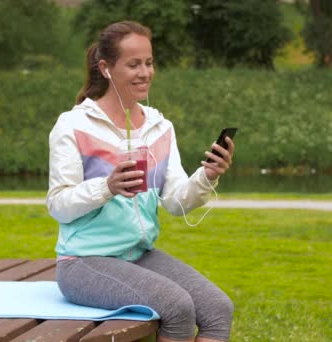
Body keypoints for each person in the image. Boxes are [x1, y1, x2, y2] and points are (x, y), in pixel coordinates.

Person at [47, 21, 235, 342]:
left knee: (219, 309)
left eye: (149, 63)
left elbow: (176, 202)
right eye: (133, 64)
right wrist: (107, 187)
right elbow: (59, 206)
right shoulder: (73, 125)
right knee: (177, 308)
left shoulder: (160, 128)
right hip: (84, 263)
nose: (145, 72)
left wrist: (207, 175)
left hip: (139, 255)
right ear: (106, 68)